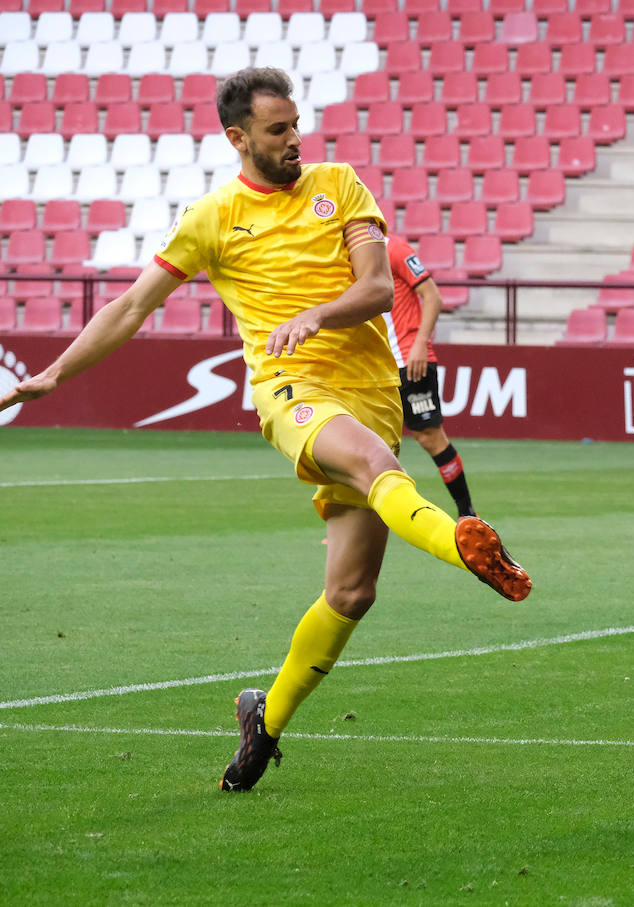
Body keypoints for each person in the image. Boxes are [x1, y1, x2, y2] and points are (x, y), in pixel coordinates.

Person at [0, 67, 532, 793]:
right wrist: (55, 373)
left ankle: (264, 718)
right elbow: (130, 308)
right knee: (377, 466)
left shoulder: (340, 184)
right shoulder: (212, 219)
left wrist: (320, 313)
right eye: (277, 130)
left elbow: (378, 286)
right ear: (238, 138)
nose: (293, 140)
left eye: (295, 125)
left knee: (352, 592)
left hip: (369, 389)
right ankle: (465, 543)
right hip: (291, 390)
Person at [382, 234, 481, 520]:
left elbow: (433, 296)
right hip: (375, 364)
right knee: (369, 443)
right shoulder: (344, 255)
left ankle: (468, 515)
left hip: (408, 358)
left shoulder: (394, 248)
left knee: (430, 438)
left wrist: (419, 345)